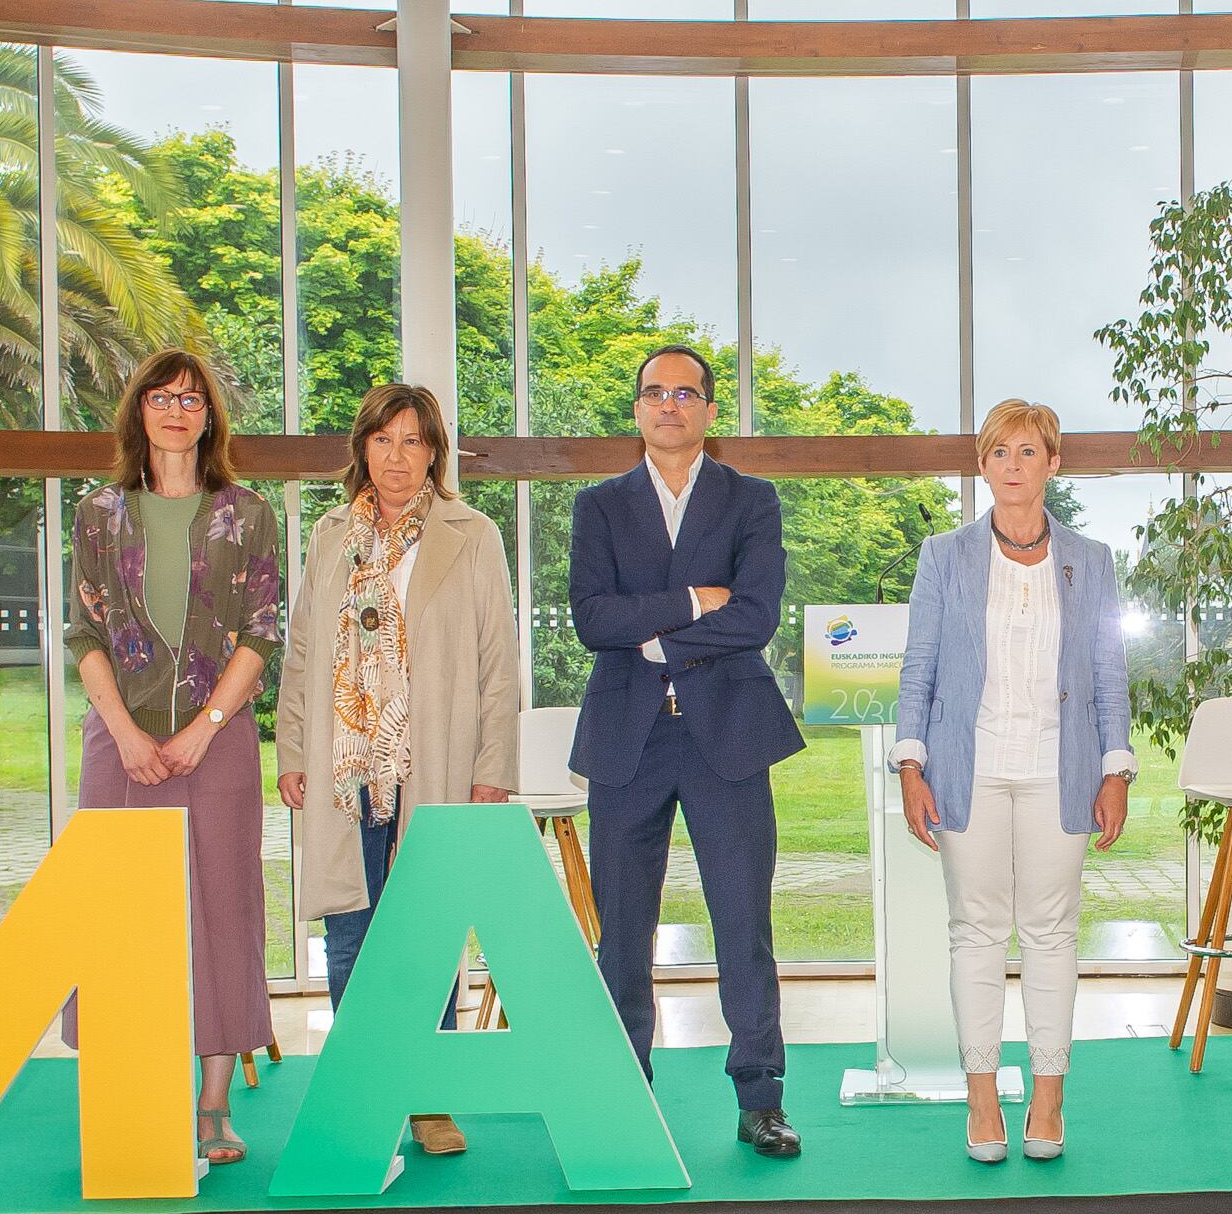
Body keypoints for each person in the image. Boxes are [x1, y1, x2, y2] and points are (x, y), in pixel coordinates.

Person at [569, 343, 808, 1159]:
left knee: (743, 923)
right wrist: (692, 601)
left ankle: (760, 1097)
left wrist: (657, 637)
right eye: (654, 392)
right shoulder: (600, 506)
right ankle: (623, 1092)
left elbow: (757, 614)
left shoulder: (752, 500)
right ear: (637, 408)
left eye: (685, 392)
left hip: (726, 738)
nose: (669, 404)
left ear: (710, 409)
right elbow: (592, 618)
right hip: (627, 740)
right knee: (622, 932)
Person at [278, 381, 521, 1161]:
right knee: (350, 927)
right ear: (363, 448)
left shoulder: (472, 534)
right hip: (345, 764)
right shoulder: (330, 536)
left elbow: (497, 661)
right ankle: (363, 1088)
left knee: (428, 926)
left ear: (434, 452)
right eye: (383, 439)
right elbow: (303, 650)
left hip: (435, 760)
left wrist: (493, 765)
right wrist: (292, 749)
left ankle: (429, 1096)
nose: (396, 455)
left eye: (413, 440)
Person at [890, 400, 1134, 1164]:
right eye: (1000, 452)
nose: (1014, 465)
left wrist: (1116, 769)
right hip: (970, 770)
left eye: (1028, 451)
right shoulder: (943, 555)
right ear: (983, 464)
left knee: (1053, 931)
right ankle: (983, 1096)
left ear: (1053, 463)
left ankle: (1049, 1095)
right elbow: (920, 667)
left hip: (1061, 769)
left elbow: (1108, 671)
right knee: (976, 931)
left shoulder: (1091, 559)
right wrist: (910, 764)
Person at [64, 350, 283, 1169]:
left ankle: (213, 1103)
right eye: (161, 397)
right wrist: (125, 731)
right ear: (139, 412)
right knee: (121, 918)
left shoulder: (248, 514)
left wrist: (205, 726)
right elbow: (83, 634)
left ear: (209, 417)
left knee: (223, 910)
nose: (176, 410)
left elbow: (262, 631)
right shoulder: (96, 513)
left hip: (216, 747)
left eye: (191, 398)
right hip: (119, 745)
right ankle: (134, 1089)